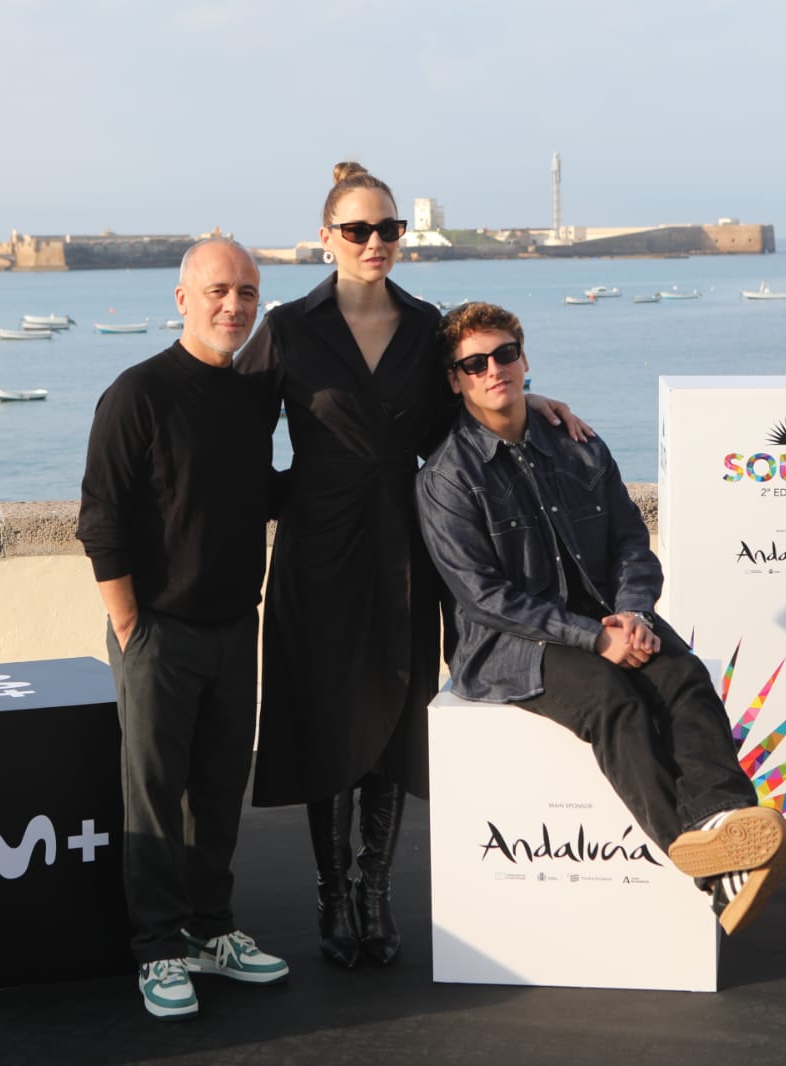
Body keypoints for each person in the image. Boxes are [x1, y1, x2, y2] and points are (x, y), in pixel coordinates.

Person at [235, 162, 589, 968]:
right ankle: (331, 897)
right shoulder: (289, 327)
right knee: (325, 714)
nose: (374, 243)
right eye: (357, 230)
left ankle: (374, 893)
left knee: (393, 712)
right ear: (325, 239)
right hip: (317, 548)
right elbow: (234, 431)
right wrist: (288, 494)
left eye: (388, 229)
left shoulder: (428, 325)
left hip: (405, 540)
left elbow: (465, 414)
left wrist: (534, 403)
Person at [415, 301, 786, 936]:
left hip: (603, 614)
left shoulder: (578, 447)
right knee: (610, 696)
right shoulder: (447, 477)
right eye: (475, 363)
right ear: (456, 380)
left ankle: (729, 828)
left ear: (524, 358)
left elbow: (630, 540)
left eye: (505, 353)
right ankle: (708, 867)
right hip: (508, 646)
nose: (494, 371)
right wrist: (594, 638)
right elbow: (484, 597)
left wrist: (631, 613)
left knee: (681, 673)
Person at [77, 238, 288, 1021]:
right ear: (182, 298)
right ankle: (157, 950)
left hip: (237, 627)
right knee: (155, 797)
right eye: (218, 291)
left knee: (220, 793)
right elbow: (100, 519)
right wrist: (130, 624)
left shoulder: (250, 394)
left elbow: (254, 490)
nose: (233, 305)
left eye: (247, 292)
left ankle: (212, 930)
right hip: (159, 632)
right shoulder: (136, 395)